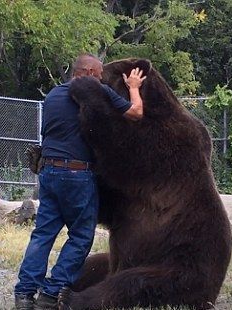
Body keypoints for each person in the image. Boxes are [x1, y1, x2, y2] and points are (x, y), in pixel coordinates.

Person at [14, 54, 146, 310]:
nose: (100, 80)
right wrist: (133, 88)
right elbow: (136, 113)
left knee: (42, 235)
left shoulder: (52, 96)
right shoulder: (95, 93)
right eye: (98, 76)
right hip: (77, 175)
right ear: (87, 73)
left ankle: (24, 295)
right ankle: (51, 293)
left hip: (49, 173)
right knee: (81, 237)